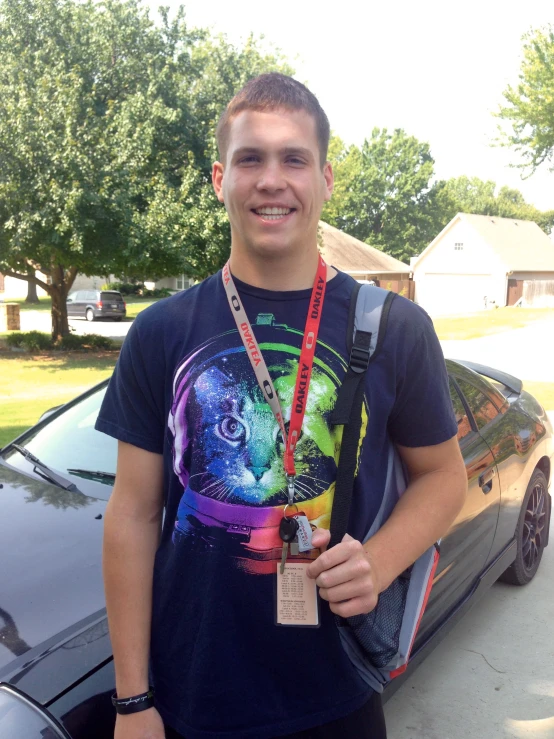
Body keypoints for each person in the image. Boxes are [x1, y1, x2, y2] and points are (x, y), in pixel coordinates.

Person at [97, 73, 467, 739]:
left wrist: (379, 560)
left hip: (339, 691)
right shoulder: (161, 332)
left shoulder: (395, 328)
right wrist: (133, 699)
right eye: (250, 158)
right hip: (190, 695)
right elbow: (131, 512)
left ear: (325, 178)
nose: (273, 179)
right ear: (220, 178)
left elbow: (444, 476)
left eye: (294, 158)